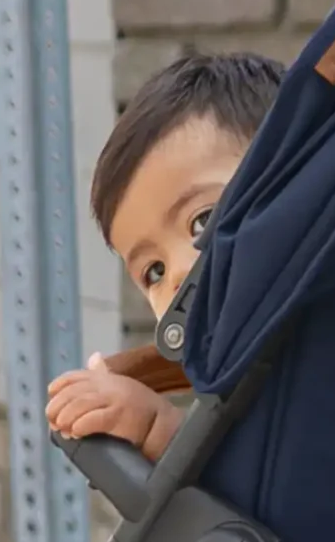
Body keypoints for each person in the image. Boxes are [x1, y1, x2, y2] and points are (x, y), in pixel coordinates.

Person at [43, 53, 284, 460]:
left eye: (201, 221)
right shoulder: (229, 388)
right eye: (153, 271)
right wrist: (154, 425)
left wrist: (157, 428)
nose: (176, 274)